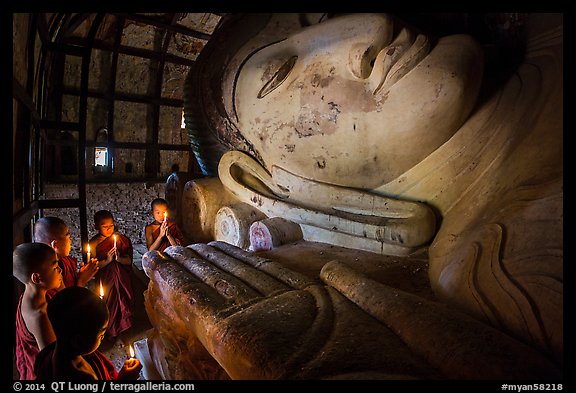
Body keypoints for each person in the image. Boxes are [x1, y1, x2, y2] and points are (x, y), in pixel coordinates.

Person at [168, 12, 562, 378]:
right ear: (258, 182)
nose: (374, 26)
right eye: (279, 73)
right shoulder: (503, 269)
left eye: (322, 18)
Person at [34, 286, 142, 380]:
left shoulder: (56, 350)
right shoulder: (80, 377)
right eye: (101, 334)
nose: (103, 338)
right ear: (79, 341)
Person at [13, 242, 62, 380]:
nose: (60, 270)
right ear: (37, 278)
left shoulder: (29, 296)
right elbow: (53, 363)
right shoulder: (40, 316)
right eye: (55, 267)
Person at [89, 210, 135, 340]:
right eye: (105, 226)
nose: (109, 229)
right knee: (109, 304)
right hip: (106, 280)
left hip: (122, 278)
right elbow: (93, 268)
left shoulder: (121, 240)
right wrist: (107, 260)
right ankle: (111, 332)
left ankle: (126, 328)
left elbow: (129, 261)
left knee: (124, 300)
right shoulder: (94, 243)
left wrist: (119, 259)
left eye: (111, 225)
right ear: (96, 227)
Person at [33, 216, 99, 297]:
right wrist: (81, 281)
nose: (70, 241)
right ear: (55, 244)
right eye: (68, 237)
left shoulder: (65, 262)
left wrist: (81, 275)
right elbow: (68, 304)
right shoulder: (47, 277)